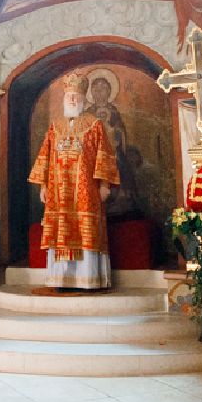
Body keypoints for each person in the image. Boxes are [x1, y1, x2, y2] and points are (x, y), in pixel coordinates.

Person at [29, 71, 120, 290]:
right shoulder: (55, 126)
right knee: (61, 230)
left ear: (82, 100)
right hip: (59, 191)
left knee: (85, 229)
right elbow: (45, 156)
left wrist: (105, 185)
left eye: (76, 97)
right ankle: (61, 279)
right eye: (69, 96)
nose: (72, 100)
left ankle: (86, 280)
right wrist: (43, 185)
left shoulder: (94, 124)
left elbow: (104, 154)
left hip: (86, 190)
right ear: (64, 99)